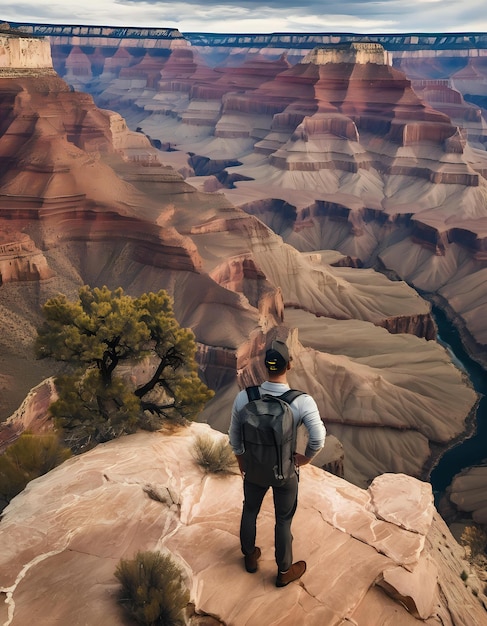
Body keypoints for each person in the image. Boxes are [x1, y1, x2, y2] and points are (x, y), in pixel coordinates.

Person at [229, 339, 326, 587]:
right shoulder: (302, 401)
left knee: (250, 510)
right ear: (289, 365)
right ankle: (284, 571)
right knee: (283, 520)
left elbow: (234, 437)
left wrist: (243, 461)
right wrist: (305, 458)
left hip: (253, 470)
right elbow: (318, 438)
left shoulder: (245, 397)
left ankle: (250, 557)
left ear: (264, 366)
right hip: (284, 473)